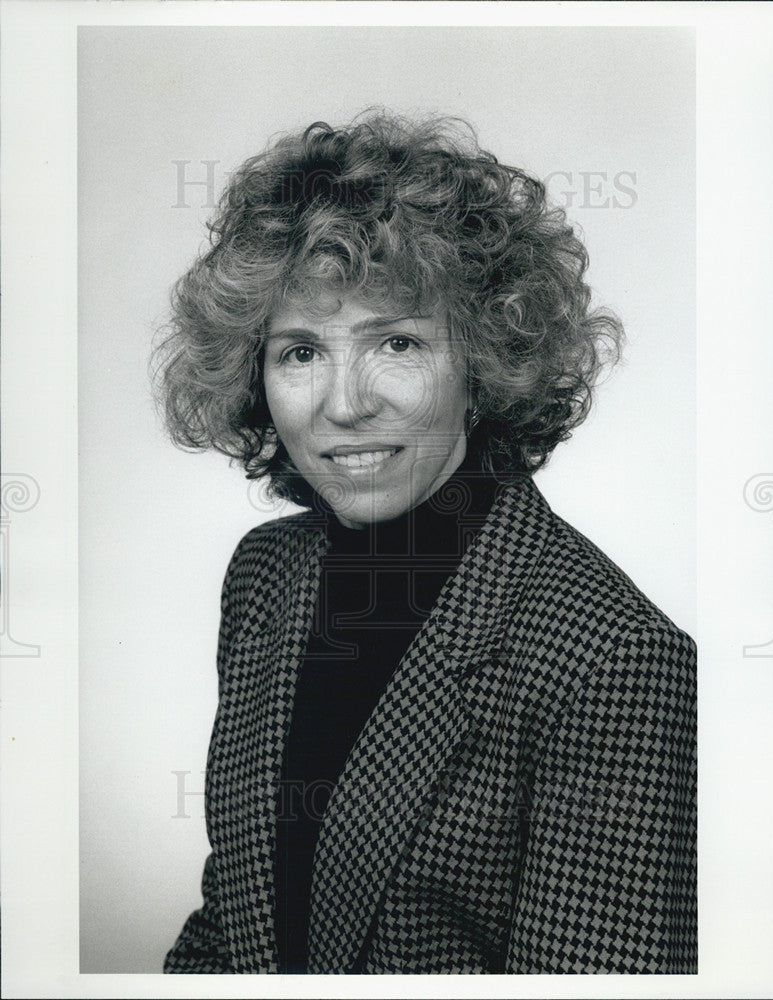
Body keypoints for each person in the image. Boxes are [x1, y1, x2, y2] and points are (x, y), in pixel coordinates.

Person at [155, 112, 696, 974]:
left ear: (484, 363)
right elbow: (237, 925)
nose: (343, 404)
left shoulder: (613, 659)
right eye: (300, 351)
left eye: (396, 342)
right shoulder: (265, 577)